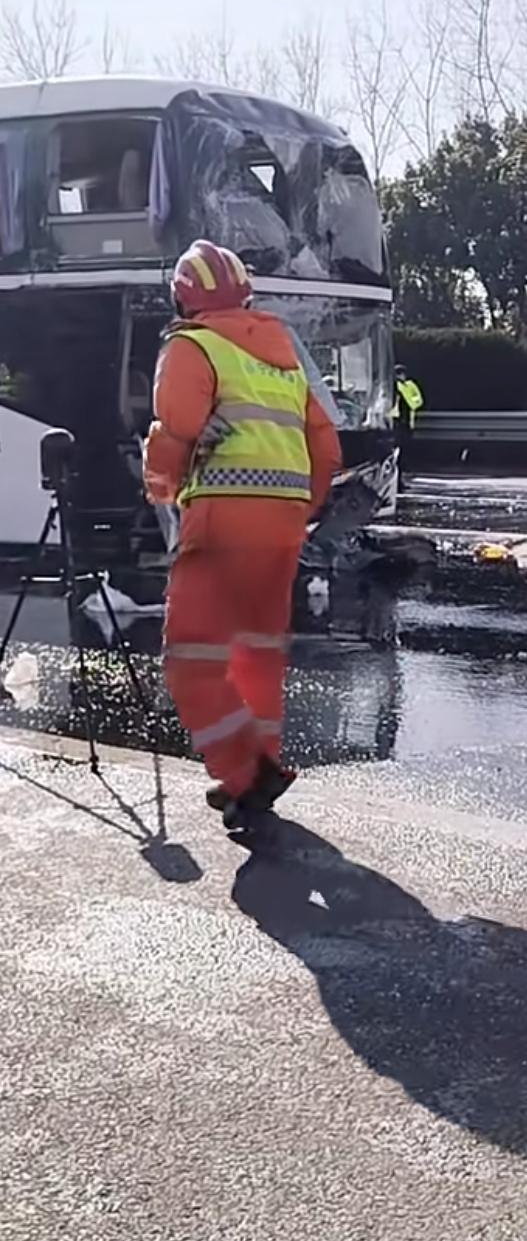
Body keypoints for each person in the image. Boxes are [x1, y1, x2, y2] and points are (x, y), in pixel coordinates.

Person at [143, 239, 342, 824]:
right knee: (255, 650)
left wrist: (159, 488)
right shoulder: (281, 352)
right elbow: (325, 447)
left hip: (222, 513)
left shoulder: (192, 346)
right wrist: (301, 508)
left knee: (191, 660)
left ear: (183, 299)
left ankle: (246, 771)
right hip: (283, 519)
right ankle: (255, 771)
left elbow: (173, 433)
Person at [393, 364, 425, 487]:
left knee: (401, 453)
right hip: (396, 422)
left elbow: (416, 402)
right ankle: (397, 482)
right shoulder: (394, 386)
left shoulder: (407, 386)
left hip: (403, 422)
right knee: (397, 453)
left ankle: (399, 481)